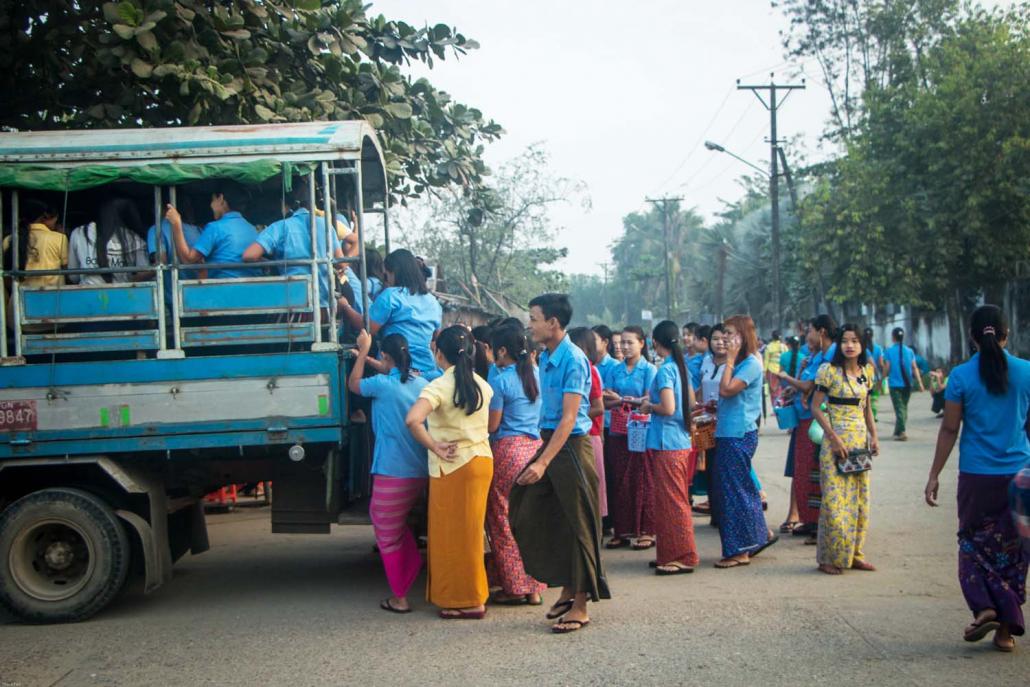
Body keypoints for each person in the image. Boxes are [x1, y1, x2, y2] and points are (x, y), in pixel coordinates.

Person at [924, 305, 1029, 651]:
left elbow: (950, 427)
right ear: (1006, 333)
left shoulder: (961, 376)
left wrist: (934, 474)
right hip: (1019, 476)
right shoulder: (1027, 372)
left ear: (972, 336)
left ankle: (985, 607)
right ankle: (1005, 631)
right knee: (1013, 551)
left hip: (977, 476)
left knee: (973, 544)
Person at [510, 293, 610, 634]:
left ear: (553, 323)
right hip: (551, 441)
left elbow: (570, 419)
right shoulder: (548, 356)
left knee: (579, 526)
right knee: (529, 508)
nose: (530, 324)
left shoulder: (573, 359)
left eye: (534, 318)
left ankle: (580, 605)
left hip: (569, 447)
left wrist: (542, 462)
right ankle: (568, 586)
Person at [404, 325, 493, 620]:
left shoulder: (439, 385)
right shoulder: (483, 383)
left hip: (453, 466)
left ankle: (466, 599)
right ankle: (474, 594)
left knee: (451, 537)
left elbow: (412, 420)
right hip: (481, 461)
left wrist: (435, 446)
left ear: (438, 353)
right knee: (471, 533)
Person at [348, 330, 429, 613]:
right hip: (418, 469)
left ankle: (400, 596)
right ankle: (411, 567)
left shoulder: (382, 385)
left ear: (386, 355)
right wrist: (367, 356)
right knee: (396, 526)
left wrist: (361, 352)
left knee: (385, 530)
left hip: (391, 469)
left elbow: (354, 384)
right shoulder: (422, 383)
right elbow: (391, 370)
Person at [810, 323, 879, 575]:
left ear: (862, 345)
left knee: (861, 501)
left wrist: (874, 436)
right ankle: (828, 558)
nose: (850, 345)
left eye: (855, 341)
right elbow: (816, 407)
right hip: (834, 446)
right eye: (845, 341)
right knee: (834, 503)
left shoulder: (867, 373)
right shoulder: (828, 372)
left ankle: (855, 554)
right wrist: (833, 437)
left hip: (859, 445)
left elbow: (867, 406)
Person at [485, 324, 545, 606]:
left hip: (508, 451)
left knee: (502, 521)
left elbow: (493, 424)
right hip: (535, 450)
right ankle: (535, 587)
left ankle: (515, 586)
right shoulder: (537, 373)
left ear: (502, 350)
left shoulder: (501, 380)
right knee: (530, 521)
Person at [711, 314, 775, 568]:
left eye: (729, 333)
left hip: (738, 433)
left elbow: (727, 389)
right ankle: (757, 536)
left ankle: (740, 550)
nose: (725, 338)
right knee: (738, 489)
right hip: (728, 430)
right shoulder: (740, 362)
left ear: (742, 335)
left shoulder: (750, 363)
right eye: (723, 333)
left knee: (736, 492)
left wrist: (727, 361)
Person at [640, 320, 698, 575]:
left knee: (673, 501)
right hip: (680, 440)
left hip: (668, 442)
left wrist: (649, 407)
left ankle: (683, 554)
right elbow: (690, 402)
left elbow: (668, 408)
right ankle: (670, 551)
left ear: (655, 342)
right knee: (671, 500)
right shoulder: (681, 368)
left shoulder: (665, 370)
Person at [242, 179, 344, 311]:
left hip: (295, 309)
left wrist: (271, 262)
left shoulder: (280, 226)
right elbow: (341, 263)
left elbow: (248, 255)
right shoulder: (326, 225)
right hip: (325, 308)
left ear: (284, 204)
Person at [778, 317, 837, 541]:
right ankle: (810, 520)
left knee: (815, 472)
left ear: (821, 331)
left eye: (810, 331)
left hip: (818, 419)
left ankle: (820, 523)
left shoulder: (828, 356)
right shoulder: (814, 355)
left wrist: (787, 379)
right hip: (805, 418)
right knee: (805, 471)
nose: (806, 336)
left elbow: (809, 385)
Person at [603, 326, 658, 550]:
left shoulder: (649, 370)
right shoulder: (615, 370)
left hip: (641, 431)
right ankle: (622, 530)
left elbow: (650, 400)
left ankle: (647, 530)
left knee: (643, 479)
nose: (624, 347)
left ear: (642, 344)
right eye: (622, 343)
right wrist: (623, 401)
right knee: (619, 480)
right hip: (618, 431)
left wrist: (623, 399)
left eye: (629, 342)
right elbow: (605, 400)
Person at [366, 249, 443, 380]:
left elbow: (368, 329)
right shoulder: (433, 302)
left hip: (395, 371)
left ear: (394, 273)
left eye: (386, 275)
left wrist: (346, 307)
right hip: (427, 373)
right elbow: (437, 338)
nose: (386, 280)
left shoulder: (391, 296)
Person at [166, 184, 259, 279]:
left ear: (221, 199)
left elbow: (189, 260)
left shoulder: (215, 227)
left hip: (222, 288)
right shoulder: (251, 229)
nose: (211, 205)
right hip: (251, 288)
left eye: (213, 200)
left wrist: (176, 224)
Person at [569, 326, 609, 520]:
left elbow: (599, 407)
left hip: (589, 435)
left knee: (590, 489)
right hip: (585, 433)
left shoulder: (589, 369)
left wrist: (572, 416)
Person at [67, 198, 149, 285]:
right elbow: (144, 272)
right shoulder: (136, 240)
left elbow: (73, 276)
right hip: (123, 295)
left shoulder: (79, 233)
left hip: (86, 295)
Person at [693, 324, 728, 517]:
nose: (720, 343)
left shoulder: (735, 364)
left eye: (724, 339)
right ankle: (715, 512)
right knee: (710, 466)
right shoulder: (706, 361)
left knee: (724, 467)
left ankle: (725, 512)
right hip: (706, 422)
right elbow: (701, 388)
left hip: (726, 421)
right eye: (715, 339)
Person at [148, 197, 203, 310]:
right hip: (197, 293)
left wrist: (135, 278)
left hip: (171, 297)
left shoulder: (156, 230)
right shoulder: (197, 230)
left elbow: (161, 263)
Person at [883, 327, 924, 441]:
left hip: (895, 385)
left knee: (899, 408)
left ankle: (902, 431)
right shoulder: (909, 351)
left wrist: (882, 379)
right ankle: (898, 430)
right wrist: (920, 383)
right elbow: (914, 367)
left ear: (893, 337)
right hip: (907, 384)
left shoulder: (889, 351)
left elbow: (887, 367)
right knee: (903, 407)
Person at [862, 327, 886, 422]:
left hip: (863, 377)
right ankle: (873, 416)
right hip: (874, 376)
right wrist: (881, 377)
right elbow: (880, 364)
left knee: (865, 399)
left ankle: (867, 416)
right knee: (874, 398)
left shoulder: (861, 348)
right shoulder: (878, 348)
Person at [763, 330, 786, 404]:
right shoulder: (784, 346)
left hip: (771, 371)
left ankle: (774, 406)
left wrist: (764, 372)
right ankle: (780, 404)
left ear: (772, 337)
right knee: (780, 389)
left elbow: (766, 361)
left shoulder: (769, 347)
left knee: (772, 390)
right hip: (782, 371)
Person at [688, 325, 710, 391]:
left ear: (703, 340)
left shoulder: (709, 359)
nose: (693, 342)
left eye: (694, 339)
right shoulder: (700, 357)